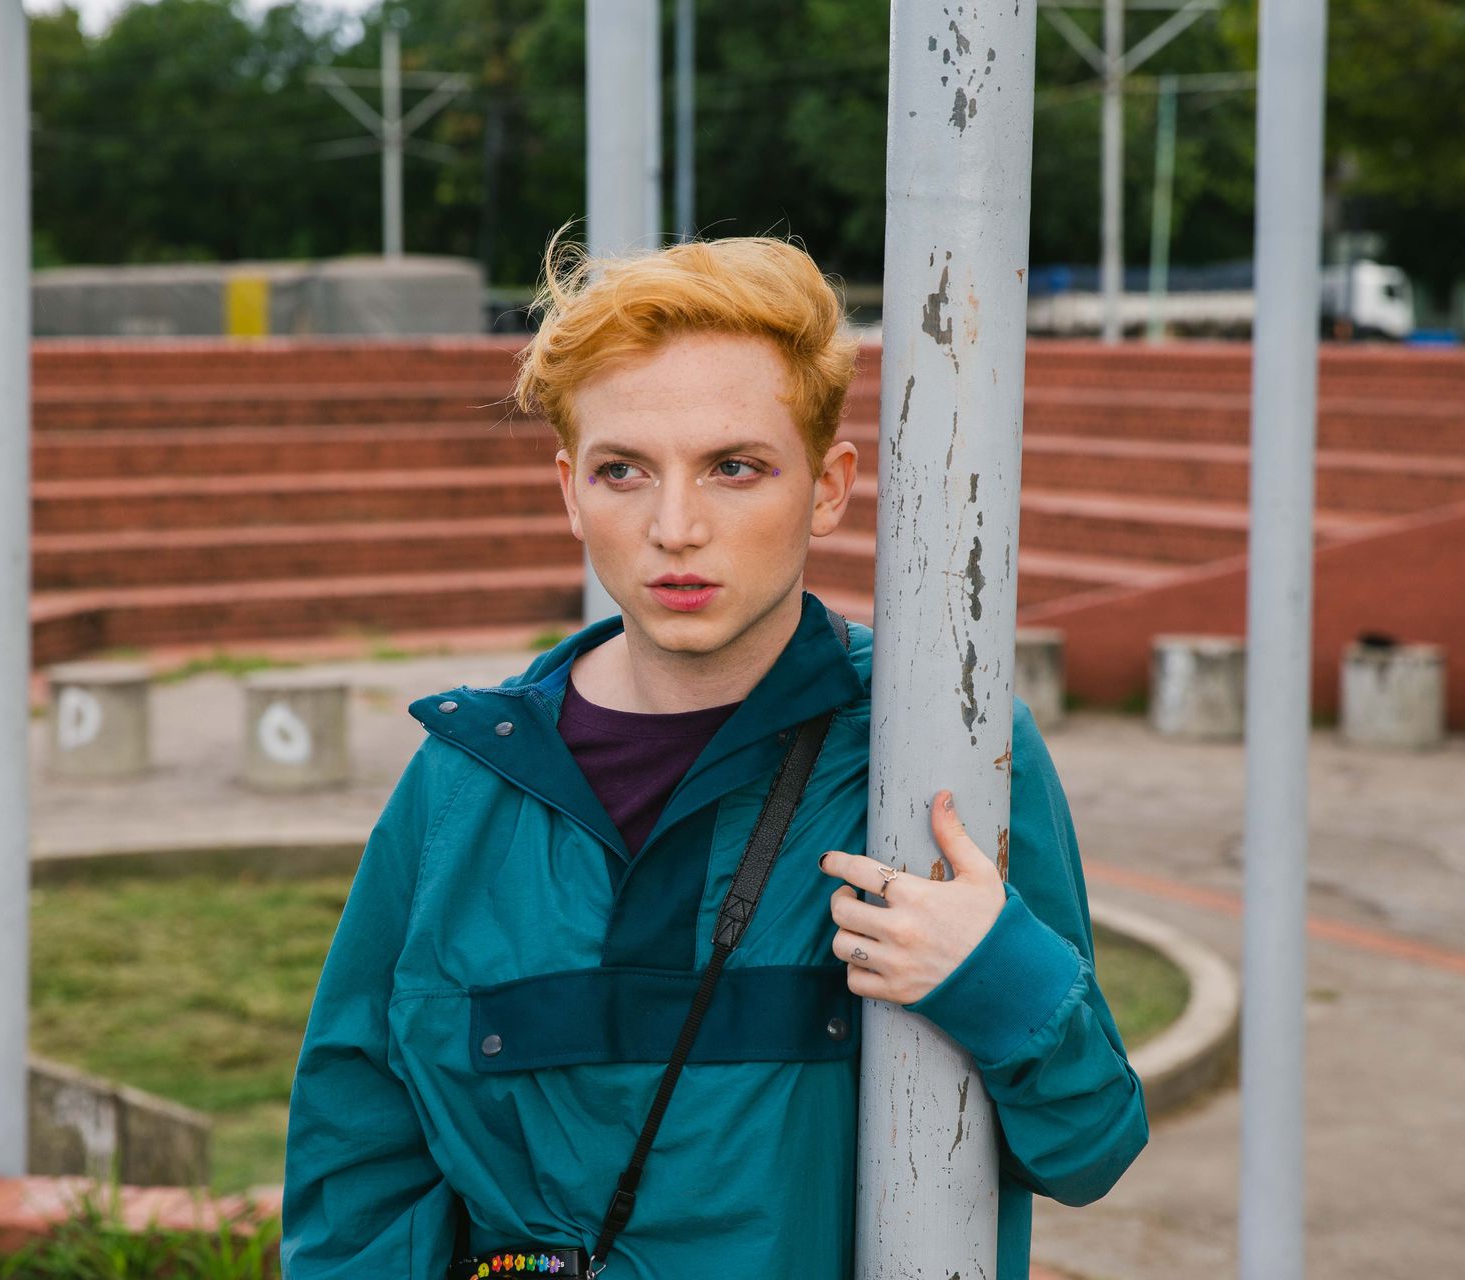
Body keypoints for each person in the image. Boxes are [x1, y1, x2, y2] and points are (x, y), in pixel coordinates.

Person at [280, 231, 1148, 1279]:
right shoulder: (464, 775)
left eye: (734, 467)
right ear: (569, 492)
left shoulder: (943, 751)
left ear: (827, 489)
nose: (675, 526)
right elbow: (355, 1169)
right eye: (623, 472)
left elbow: (1091, 1144)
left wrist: (995, 972)